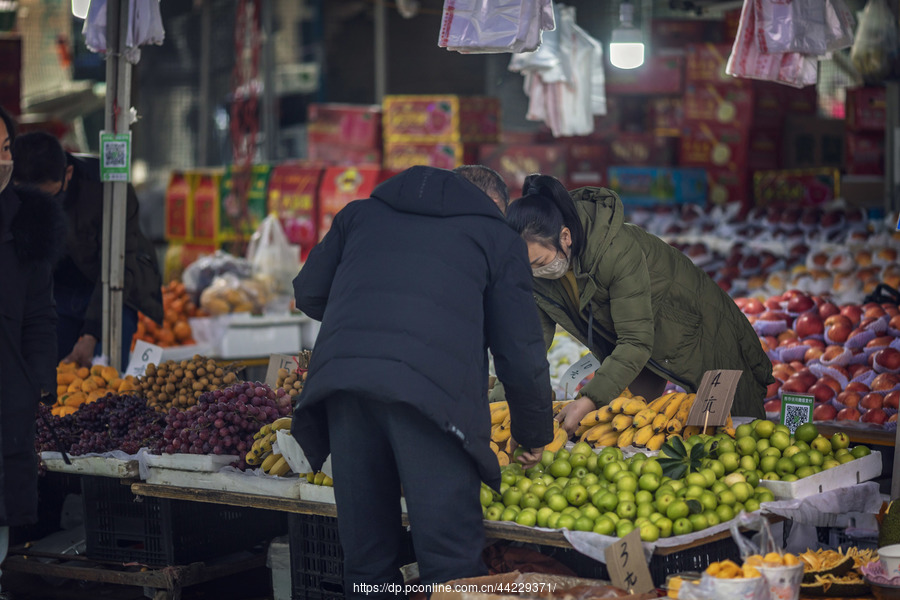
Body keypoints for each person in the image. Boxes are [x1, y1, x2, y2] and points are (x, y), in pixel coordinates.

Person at [291, 165, 553, 597]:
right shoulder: (496, 238)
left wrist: (371, 325)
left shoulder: (359, 215)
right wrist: (534, 433)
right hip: (432, 398)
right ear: (494, 207)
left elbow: (309, 292)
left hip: (344, 389)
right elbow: (520, 353)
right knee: (448, 560)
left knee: (368, 558)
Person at [504, 174, 774, 430]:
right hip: (643, 348)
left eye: (539, 263)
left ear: (565, 237)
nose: (534, 273)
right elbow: (528, 342)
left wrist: (587, 400)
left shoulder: (615, 251)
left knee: (737, 428)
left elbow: (635, 340)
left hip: (701, 329)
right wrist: (501, 398)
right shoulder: (536, 273)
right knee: (628, 424)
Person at [12, 132, 163, 370]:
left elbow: (120, 265)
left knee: (106, 380)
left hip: (114, 289)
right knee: (53, 379)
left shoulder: (109, 189)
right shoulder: (12, 193)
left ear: (68, 174)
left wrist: (90, 334)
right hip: (57, 294)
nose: (39, 207)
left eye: (47, 197)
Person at [0, 106, 65, 599]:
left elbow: (41, 315)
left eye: (3, 150)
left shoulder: (28, 220)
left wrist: (38, 377)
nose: (1, 162)